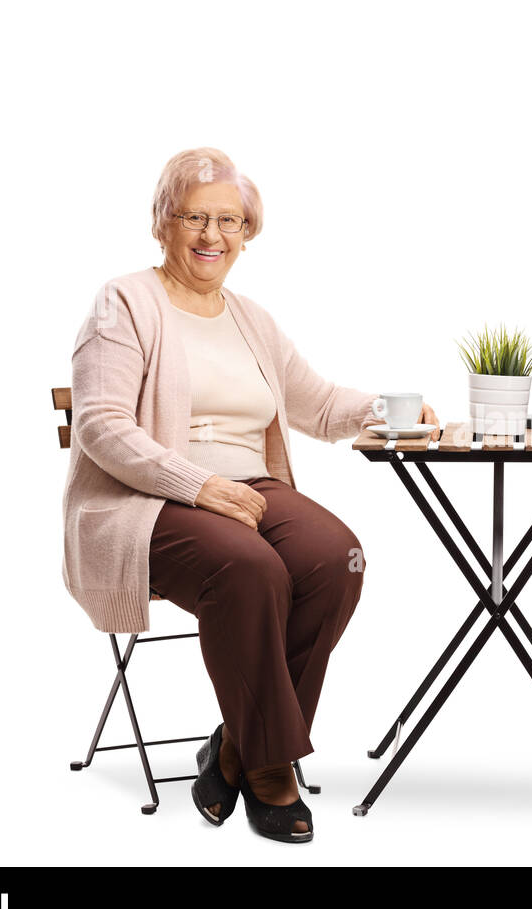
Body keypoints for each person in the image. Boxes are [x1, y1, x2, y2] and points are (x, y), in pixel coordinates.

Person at [61, 147, 439, 842]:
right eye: (195, 217)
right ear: (161, 222)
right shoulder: (123, 303)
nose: (212, 236)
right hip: (144, 502)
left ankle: (236, 746)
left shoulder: (250, 318)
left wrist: (392, 412)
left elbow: (317, 404)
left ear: (248, 231)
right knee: (251, 568)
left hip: (246, 490)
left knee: (337, 559)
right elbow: (102, 428)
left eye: (229, 221)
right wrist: (196, 485)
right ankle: (272, 770)